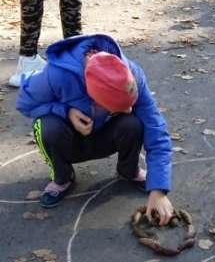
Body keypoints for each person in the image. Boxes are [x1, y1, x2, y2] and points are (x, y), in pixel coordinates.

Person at [16, 33, 174, 220]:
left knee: (134, 121)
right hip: (70, 140)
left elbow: (156, 129)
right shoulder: (58, 75)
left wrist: (158, 189)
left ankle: (128, 170)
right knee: (46, 126)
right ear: (93, 97)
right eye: (117, 108)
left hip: (103, 135)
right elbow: (24, 103)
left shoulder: (131, 75)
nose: (129, 109)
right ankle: (63, 177)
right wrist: (65, 111)